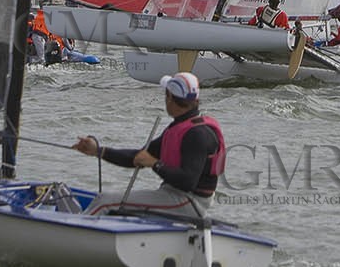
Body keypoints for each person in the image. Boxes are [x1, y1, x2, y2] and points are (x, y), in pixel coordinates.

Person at [71, 72, 225, 221]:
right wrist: (98, 151)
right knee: (107, 201)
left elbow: (187, 181)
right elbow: (138, 157)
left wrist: (155, 164)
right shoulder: (181, 127)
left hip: (189, 202)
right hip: (174, 195)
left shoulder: (197, 134)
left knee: (105, 201)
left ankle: (75, 235)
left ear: (169, 97)